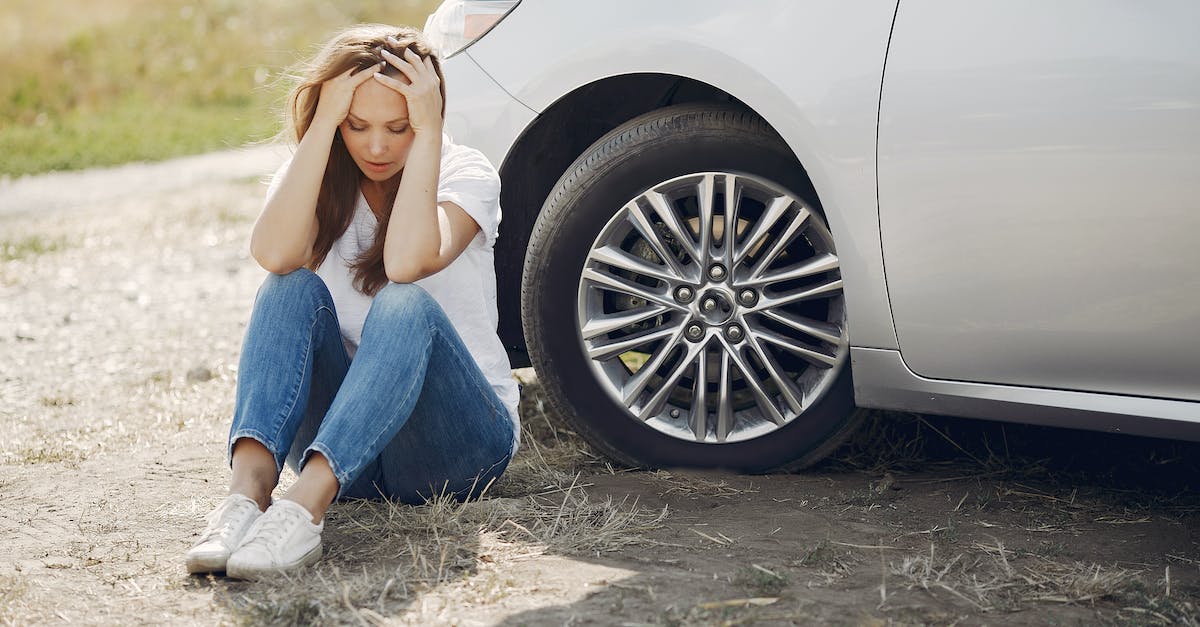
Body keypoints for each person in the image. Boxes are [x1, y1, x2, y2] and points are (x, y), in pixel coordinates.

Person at [184, 23, 520, 579]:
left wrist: (430, 133)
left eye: (398, 126)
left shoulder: (466, 173)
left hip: (456, 445)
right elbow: (273, 253)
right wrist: (321, 126)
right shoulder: (317, 176)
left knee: (403, 302)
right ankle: (246, 499)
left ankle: (302, 509)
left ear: (427, 115)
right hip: (350, 455)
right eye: (357, 125)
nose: (378, 146)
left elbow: (406, 263)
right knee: (287, 285)